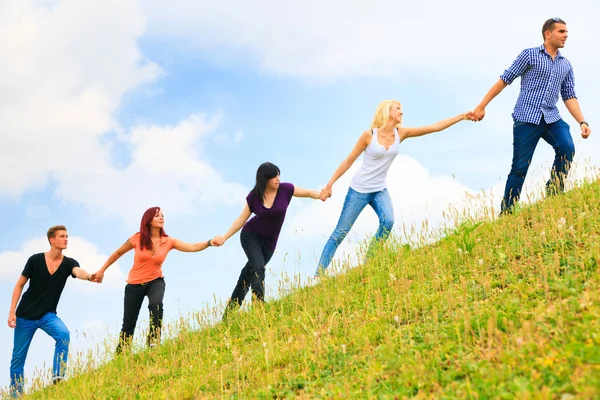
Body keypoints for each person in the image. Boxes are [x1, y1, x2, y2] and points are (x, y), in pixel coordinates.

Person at [315, 100, 471, 276]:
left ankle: (369, 263)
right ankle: (318, 276)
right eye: (398, 109)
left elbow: (434, 127)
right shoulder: (369, 135)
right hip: (359, 190)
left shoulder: (401, 133)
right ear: (386, 111)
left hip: (379, 190)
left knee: (388, 221)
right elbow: (348, 160)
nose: (401, 113)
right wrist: (329, 184)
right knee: (340, 233)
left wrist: (462, 116)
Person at [470, 17, 591, 214]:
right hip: (526, 118)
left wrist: (582, 121)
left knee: (567, 148)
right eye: (561, 32)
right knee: (520, 167)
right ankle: (507, 212)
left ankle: (553, 194)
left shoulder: (565, 65)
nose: (566, 35)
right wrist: (481, 107)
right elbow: (504, 79)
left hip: (551, 118)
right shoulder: (529, 55)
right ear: (548, 34)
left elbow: (569, 95)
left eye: (567, 32)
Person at [93, 207, 219, 353]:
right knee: (129, 322)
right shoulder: (137, 238)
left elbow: (192, 246)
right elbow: (118, 252)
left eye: (163, 215)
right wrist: (102, 270)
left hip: (155, 280)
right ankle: (122, 353)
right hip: (134, 285)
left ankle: (154, 340)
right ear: (148, 220)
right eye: (157, 215)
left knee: (156, 304)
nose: (161, 218)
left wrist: (210, 242)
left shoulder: (168, 241)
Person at [212, 162, 325, 317]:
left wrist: (320, 194)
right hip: (251, 235)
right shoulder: (254, 196)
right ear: (265, 179)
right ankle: (258, 307)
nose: (278, 179)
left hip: (269, 243)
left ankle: (228, 314)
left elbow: (308, 193)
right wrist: (224, 237)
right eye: (274, 176)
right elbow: (241, 219)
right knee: (258, 267)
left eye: (278, 175)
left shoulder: (286, 189)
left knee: (248, 274)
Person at [8, 225, 97, 397]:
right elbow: (19, 285)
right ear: (52, 240)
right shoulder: (34, 260)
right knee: (18, 358)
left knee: (63, 334)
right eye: (62, 236)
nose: (66, 239)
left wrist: (89, 276)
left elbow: (77, 271)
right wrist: (12, 312)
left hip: (47, 315)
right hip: (25, 316)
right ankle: (16, 395)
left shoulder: (69, 263)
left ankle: (58, 377)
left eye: (67, 236)